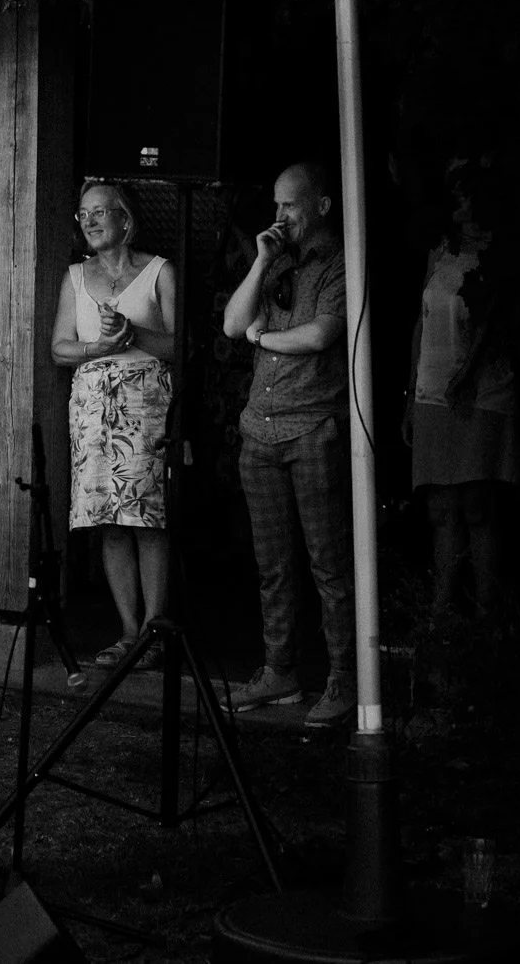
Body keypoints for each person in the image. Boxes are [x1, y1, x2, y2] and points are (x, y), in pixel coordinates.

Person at [219, 161, 356, 729]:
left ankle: (345, 681)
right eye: (275, 205)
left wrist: (262, 337)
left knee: (329, 565)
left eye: (290, 205)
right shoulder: (275, 261)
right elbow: (232, 324)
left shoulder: (342, 263)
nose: (279, 216)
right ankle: (280, 670)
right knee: (272, 564)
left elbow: (323, 334)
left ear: (321, 206)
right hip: (260, 431)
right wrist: (259, 261)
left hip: (311, 430)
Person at [51, 180, 178, 668]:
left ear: (126, 218)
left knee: (147, 519)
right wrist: (97, 349)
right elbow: (59, 348)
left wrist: (132, 335)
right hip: (92, 408)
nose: (90, 221)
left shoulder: (160, 272)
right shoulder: (75, 277)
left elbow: (180, 346)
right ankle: (128, 632)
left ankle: (155, 631)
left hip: (144, 403)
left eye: (100, 212)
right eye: (83, 215)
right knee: (109, 521)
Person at [407, 161, 520, 621]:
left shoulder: (497, 254)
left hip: (482, 392)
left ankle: (487, 612)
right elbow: (421, 321)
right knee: (442, 506)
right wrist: (408, 394)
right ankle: (442, 610)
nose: (459, 203)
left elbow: (494, 322)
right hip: (432, 389)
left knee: (477, 504)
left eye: (466, 194)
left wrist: (468, 373)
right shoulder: (441, 252)